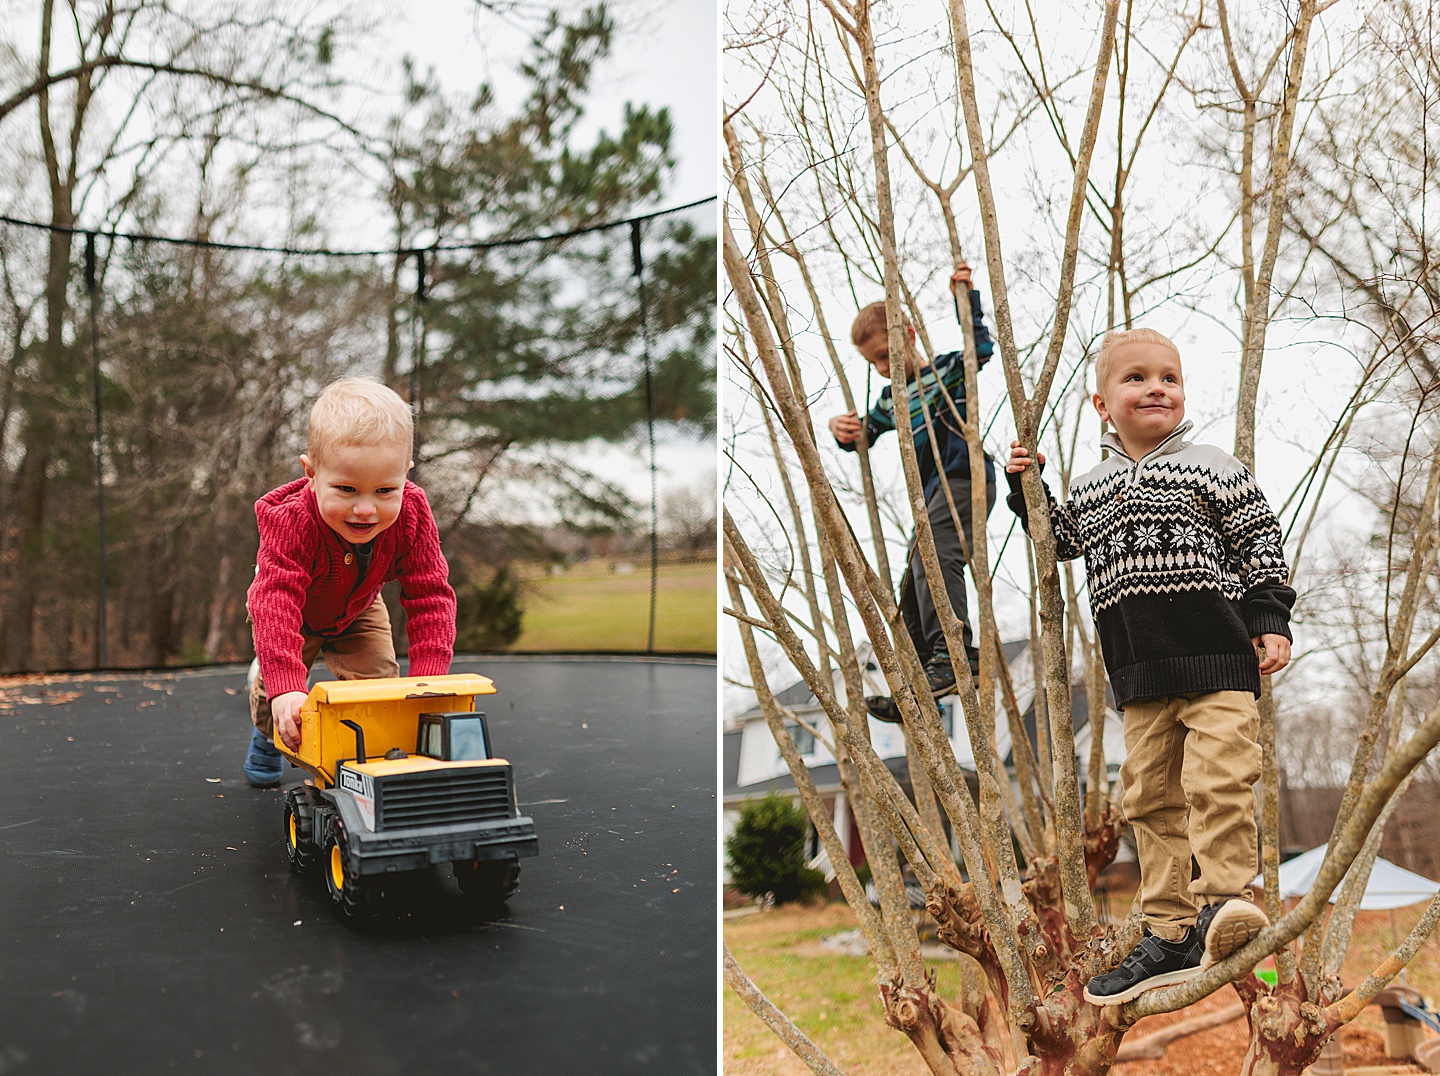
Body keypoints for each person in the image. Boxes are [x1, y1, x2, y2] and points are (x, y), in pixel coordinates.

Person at [1005, 327, 1294, 1004]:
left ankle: (1224, 901)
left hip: (1219, 658)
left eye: (1168, 376)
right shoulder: (1093, 485)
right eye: (1135, 378)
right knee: (1150, 798)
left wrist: (1270, 618)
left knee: (1219, 775)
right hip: (1139, 673)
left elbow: (1260, 543)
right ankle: (1168, 932)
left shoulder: (1214, 464)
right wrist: (1026, 483)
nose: (1156, 387)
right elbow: (1059, 538)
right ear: (1102, 403)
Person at [242, 377, 457, 788]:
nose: (365, 508)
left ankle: (369, 759)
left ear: (405, 475)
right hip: (293, 613)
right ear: (311, 472)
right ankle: (266, 735)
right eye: (346, 489)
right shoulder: (290, 522)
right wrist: (287, 689)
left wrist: (431, 680)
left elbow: (430, 594)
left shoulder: (412, 513)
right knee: (280, 698)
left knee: (380, 684)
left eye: (384, 490)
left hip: (360, 607)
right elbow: (275, 600)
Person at [828, 265, 997, 721]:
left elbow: (981, 349)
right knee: (912, 582)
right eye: (874, 364)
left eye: (886, 354)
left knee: (935, 557)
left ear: (909, 332)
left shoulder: (946, 372)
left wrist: (967, 300)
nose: (884, 368)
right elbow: (862, 434)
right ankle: (924, 678)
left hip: (965, 479)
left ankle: (957, 653)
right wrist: (841, 430)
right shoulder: (890, 399)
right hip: (932, 496)